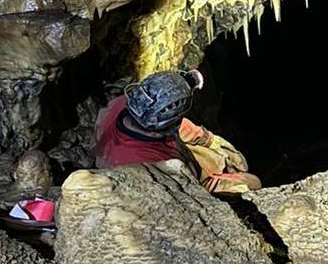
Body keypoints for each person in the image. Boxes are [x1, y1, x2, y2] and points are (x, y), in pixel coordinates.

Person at [95, 69, 261, 194]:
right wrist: (227, 181)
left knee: (236, 160)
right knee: (254, 182)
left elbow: (184, 130)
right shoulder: (144, 165)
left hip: (170, 148)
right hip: (182, 177)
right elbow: (191, 188)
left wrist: (208, 140)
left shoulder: (125, 104)